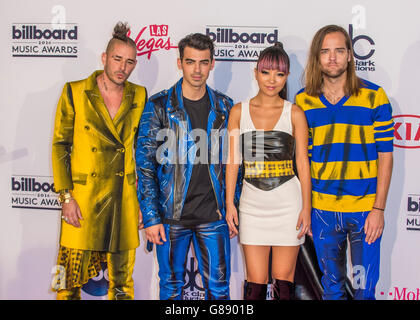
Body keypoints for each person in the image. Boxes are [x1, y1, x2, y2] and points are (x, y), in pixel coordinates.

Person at [136, 33, 238, 300]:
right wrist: (151, 216)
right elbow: (145, 165)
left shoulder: (225, 107)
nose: (197, 69)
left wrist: (232, 204)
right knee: (170, 289)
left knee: (219, 291)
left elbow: (235, 163)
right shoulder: (159, 105)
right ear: (179, 63)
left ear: (212, 64)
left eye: (203, 62)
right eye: (190, 61)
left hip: (213, 217)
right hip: (171, 218)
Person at [295, 24, 394, 300]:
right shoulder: (303, 101)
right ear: (317, 58)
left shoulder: (374, 96)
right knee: (332, 290)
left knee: (365, 290)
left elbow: (386, 155)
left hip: (365, 212)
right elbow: (304, 158)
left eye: (339, 50)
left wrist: (379, 208)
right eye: (325, 52)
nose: (332, 57)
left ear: (350, 55)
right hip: (323, 213)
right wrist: (309, 209)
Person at [51, 22, 147, 300]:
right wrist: (66, 197)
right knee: (67, 283)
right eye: (117, 59)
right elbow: (60, 146)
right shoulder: (75, 91)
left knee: (122, 284)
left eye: (130, 62)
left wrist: (142, 201)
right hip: (82, 201)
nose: (123, 67)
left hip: (123, 199)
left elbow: (142, 152)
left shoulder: (139, 95)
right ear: (104, 58)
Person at [225, 43, 312, 300]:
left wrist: (306, 207)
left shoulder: (294, 113)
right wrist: (230, 203)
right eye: (266, 72)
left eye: (279, 74)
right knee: (255, 286)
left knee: (284, 285)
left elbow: (303, 165)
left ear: (286, 77)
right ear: (256, 73)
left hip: (288, 204)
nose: (272, 80)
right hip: (252, 204)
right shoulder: (238, 112)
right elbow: (233, 162)